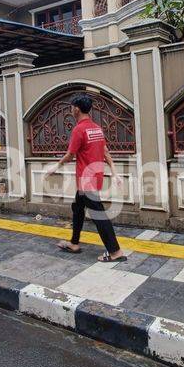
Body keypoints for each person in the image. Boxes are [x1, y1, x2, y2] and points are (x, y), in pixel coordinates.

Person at [44, 94, 126, 263]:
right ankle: (74, 243)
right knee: (78, 208)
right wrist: (115, 172)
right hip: (95, 176)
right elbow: (105, 152)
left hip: (86, 180)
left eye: (71, 107)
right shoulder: (96, 128)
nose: (70, 109)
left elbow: (70, 155)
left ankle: (116, 252)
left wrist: (55, 166)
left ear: (76, 109)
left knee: (99, 215)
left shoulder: (79, 129)